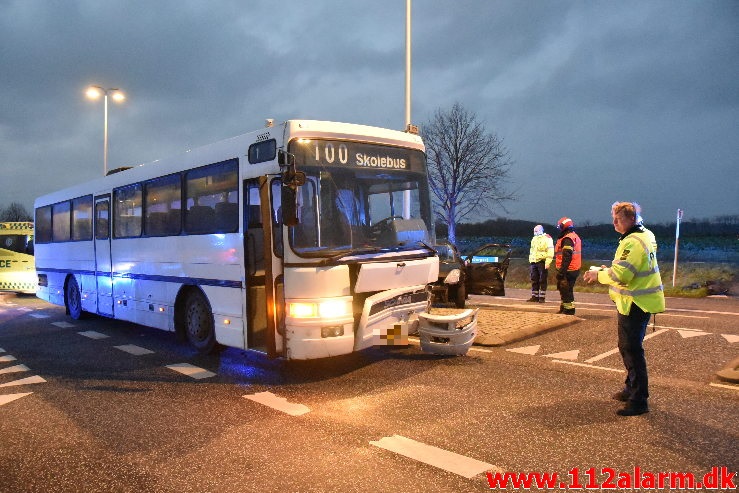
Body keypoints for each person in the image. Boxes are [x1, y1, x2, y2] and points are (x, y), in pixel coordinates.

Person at [583, 202, 665, 416]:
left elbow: (622, 275)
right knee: (628, 347)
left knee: (631, 350)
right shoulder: (646, 235)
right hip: (639, 301)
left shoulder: (632, 242)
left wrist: (597, 275)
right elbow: (628, 268)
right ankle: (631, 388)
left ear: (630, 218)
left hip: (636, 303)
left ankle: (639, 400)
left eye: (617, 219)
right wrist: (608, 269)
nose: (614, 223)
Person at [554, 217, 581, 315]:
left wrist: (562, 271)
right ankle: (565, 308)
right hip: (573, 268)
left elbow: (567, 256)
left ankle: (568, 310)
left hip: (568, 269)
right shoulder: (573, 236)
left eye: (560, 226)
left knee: (566, 289)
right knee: (566, 289)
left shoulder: (567, 238)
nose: (559, 228)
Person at [527, 224, 554, 303]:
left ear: (541, 230)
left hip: (542, 261)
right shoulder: (534, 239)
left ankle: (542, 297)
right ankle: (534, 296)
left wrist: (548, 262)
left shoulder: (547, 238)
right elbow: (532, 250)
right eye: (534, 231)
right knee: (534, 279)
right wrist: (531, 260)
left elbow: (550, 251)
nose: (535, 232)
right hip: (534, 261)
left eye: (536, 231)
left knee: (542, 279)